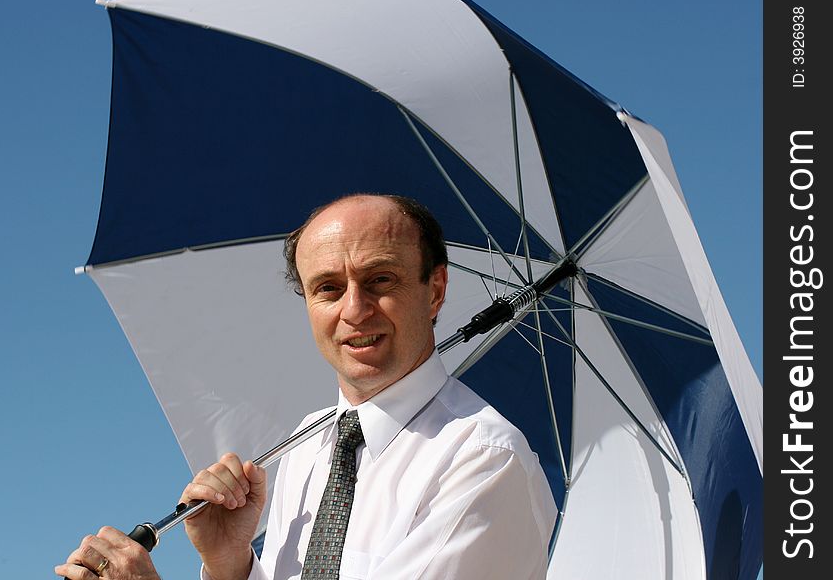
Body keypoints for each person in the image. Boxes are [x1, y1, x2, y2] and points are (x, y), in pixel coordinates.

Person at [56, 194, 556, 580]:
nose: (354, 311)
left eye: (380, 280)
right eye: (328, 288)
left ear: (436, 291)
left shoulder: (484, 459)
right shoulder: (309, 443)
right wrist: (233, 566)